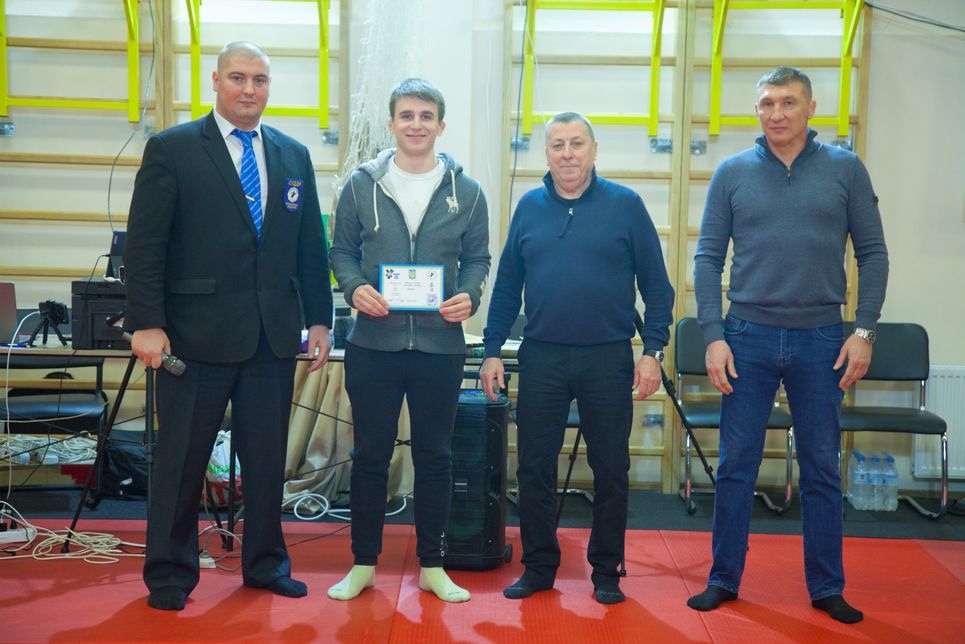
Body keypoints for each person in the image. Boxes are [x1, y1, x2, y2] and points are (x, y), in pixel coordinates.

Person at [124, 41, 333, 611]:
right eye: (238, 77)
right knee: (182, 463)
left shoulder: (293, 154)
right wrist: (147, 323)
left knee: (266, 463)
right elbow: (145, 245)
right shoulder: (173, 149)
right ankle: (170, 574)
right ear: (215, 82)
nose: (249, 89)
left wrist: (320, 317)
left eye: (259, 79)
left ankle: (265, 565)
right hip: (192, 338)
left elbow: (310, 246)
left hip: (271, 337)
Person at [688, 67, 888, 624]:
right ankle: (723, 578)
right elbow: (707, 259)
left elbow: (873, 253)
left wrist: (865, 330)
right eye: (767, 103)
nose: (776, 113)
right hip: (745, 336)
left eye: (788, 102)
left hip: (823, 339)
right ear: (757, 110)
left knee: (821, 466)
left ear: (811, 108)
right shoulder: (731, 173)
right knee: (736, 465)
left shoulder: (846, 169)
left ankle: (826, 586)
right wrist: (713, 336)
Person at [480, 112, 674, 605]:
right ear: (546, 153)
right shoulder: (529, 207)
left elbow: (657, 287)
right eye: (557, 145)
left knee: (611, 469)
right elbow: (506, 287)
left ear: (594, 150)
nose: (567, 153)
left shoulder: (626, 206)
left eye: (576, 143)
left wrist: (652, 352)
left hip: (608, 358)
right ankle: (539, 567)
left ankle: (607, 570)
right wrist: (491, 350)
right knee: (533, 468)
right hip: (542, 357)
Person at [327, 78, 490, 603]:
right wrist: (354, 287)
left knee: (436, 458)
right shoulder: (361, 185)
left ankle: (433, 567)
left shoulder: (468, 192)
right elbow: (340, 251)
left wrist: (468, 295)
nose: (416, 125)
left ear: (440, 126)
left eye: (426, 116)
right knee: (370, 456)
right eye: (406, 115)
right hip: (373, 345)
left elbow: (478, 260)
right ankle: (362, 564)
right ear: (392, 123)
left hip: (441, 348)